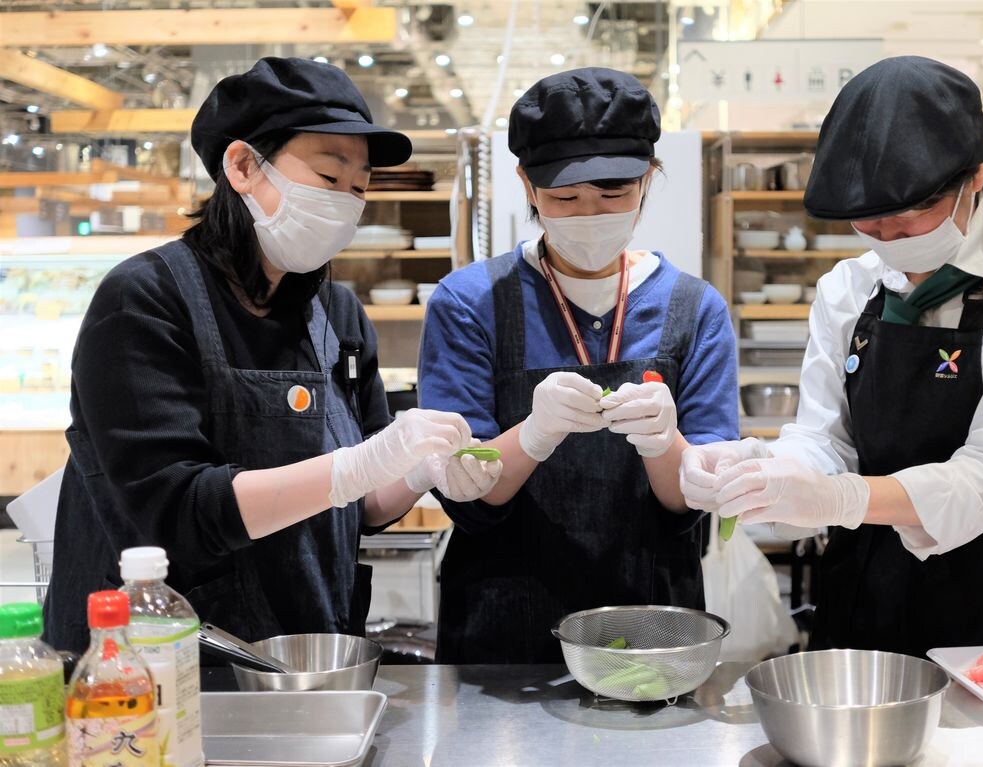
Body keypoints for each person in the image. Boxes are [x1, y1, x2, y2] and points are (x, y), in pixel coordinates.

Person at [44, 57, 502, 653]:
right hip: (156, 664)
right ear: (242, 166)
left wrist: (417, 473)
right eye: (329, 177)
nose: (347, 202)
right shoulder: (145, 301)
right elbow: (176, 512)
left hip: (303, 650)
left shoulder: (337, 316)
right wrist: (360, 464)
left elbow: (358, 506)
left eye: (360, 187)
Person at [681, 56, 983, 659]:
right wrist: (756, 466)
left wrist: (844, 499)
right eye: (869, 225)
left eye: (909, 217)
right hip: (863, 607)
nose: (888, 240)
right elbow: (825, 440)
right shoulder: (848, 288)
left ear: (975, 178)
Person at [417, 67, 739, 663]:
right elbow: (465, 490)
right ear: (526, 184)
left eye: (614, 194)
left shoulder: (693, 309)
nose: (589, 214)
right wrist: (533, 435)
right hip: (504, 620)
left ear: (649, 179)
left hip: (655, 624)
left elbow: (694, 500)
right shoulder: (470, 303)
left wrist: (666, 444)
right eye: (565, 197)